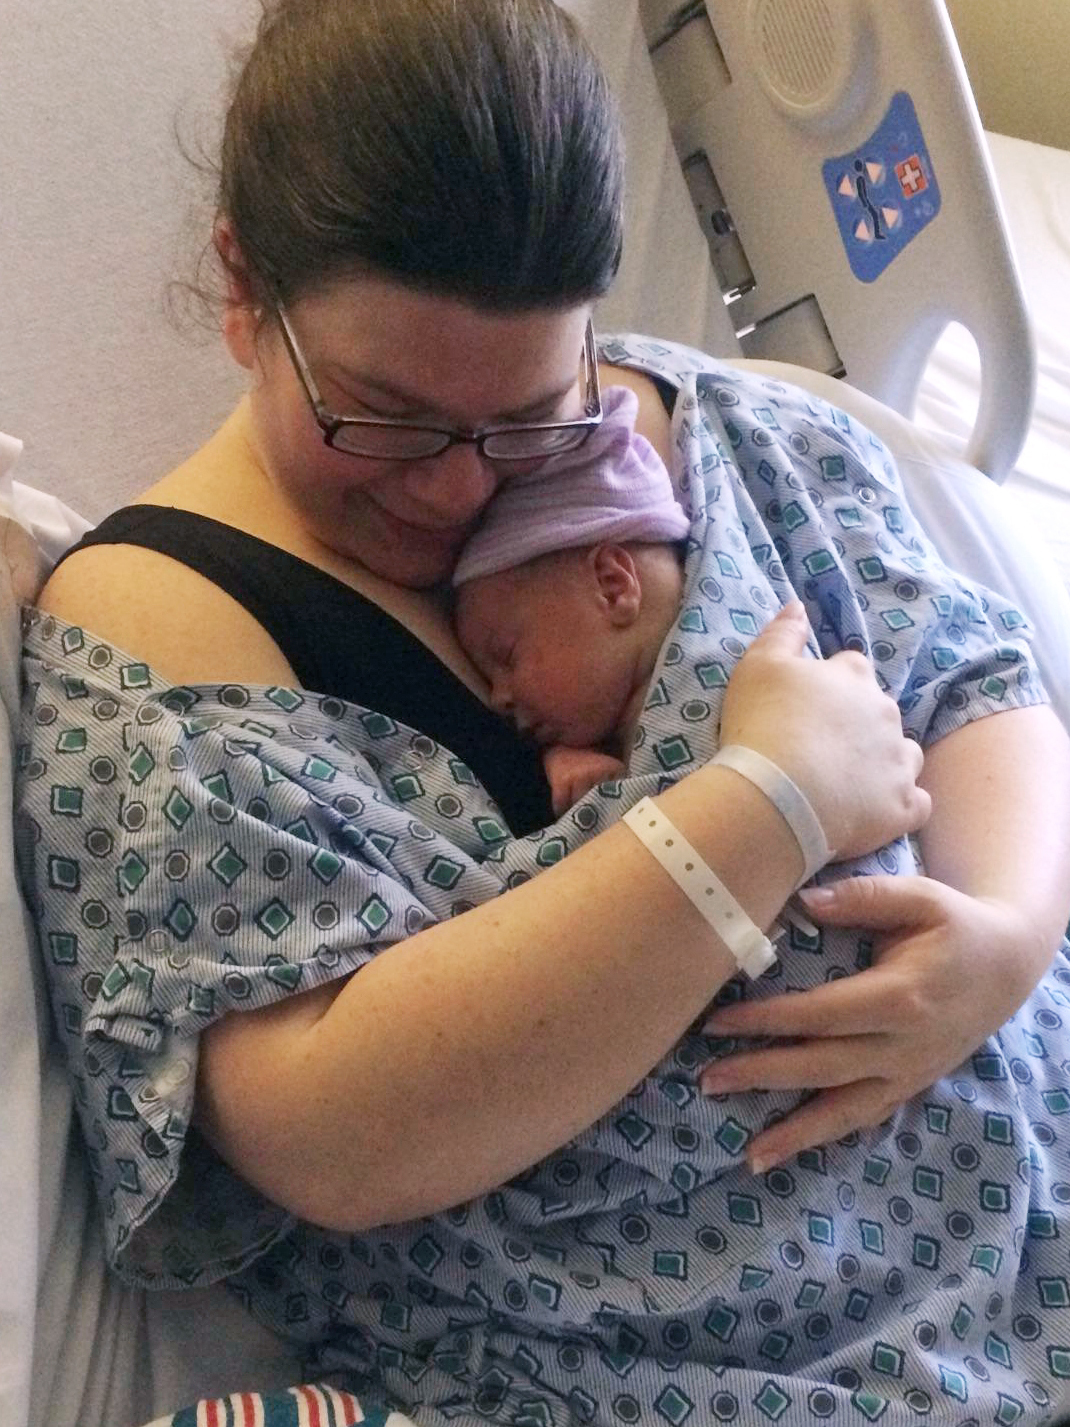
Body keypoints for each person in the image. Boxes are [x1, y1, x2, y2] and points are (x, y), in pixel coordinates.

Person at [15, 2, 1070, 1423]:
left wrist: (1005, 934)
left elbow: (973, 676)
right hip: (729, 1368)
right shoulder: (159, 634)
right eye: (385, 416)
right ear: (243, 290)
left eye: (529, 413)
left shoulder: (713, 430)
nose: (457, 486)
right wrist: (764, 803)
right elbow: (328, 1132)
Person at [453, 383, 690, 813]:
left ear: (612, 586)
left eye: (507, 657)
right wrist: (581, 769)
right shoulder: (606, 710)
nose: (498, 699)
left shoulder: (745, 660)